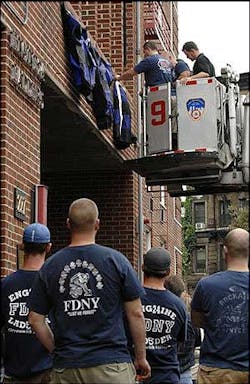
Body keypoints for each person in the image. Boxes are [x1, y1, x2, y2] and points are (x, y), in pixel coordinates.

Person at [28, 198, 151, 384]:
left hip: (67, 368)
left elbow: (35, 320)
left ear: (68, 224)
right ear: (98, 224)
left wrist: (57, 351)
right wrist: (141, 357)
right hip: (111, 366)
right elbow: (136, 313)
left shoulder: (50, 267)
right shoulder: (116, 261)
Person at [191, 228, 249, 384]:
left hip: (215, 370)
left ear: (225, 250)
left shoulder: (206, 285)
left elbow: (196, 321)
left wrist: (217, 321)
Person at [1, 223, 53, 384]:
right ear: (48, 247)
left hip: (13, 372)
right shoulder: (54, 284)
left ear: (22, 246)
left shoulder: (5, 285)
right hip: (47, 372)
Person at [130, 247, 188, 384]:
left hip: (134, 373)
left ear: (143, 267)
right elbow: (180, 341)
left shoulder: (131, 301)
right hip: (167, 374)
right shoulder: (179, 306)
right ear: (168, 272)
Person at [166, 275, 201, 384]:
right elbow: (197, 340)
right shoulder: (190, 319)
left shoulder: (161, 315)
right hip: (184, 371)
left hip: (163, 370)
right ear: (182, 292)